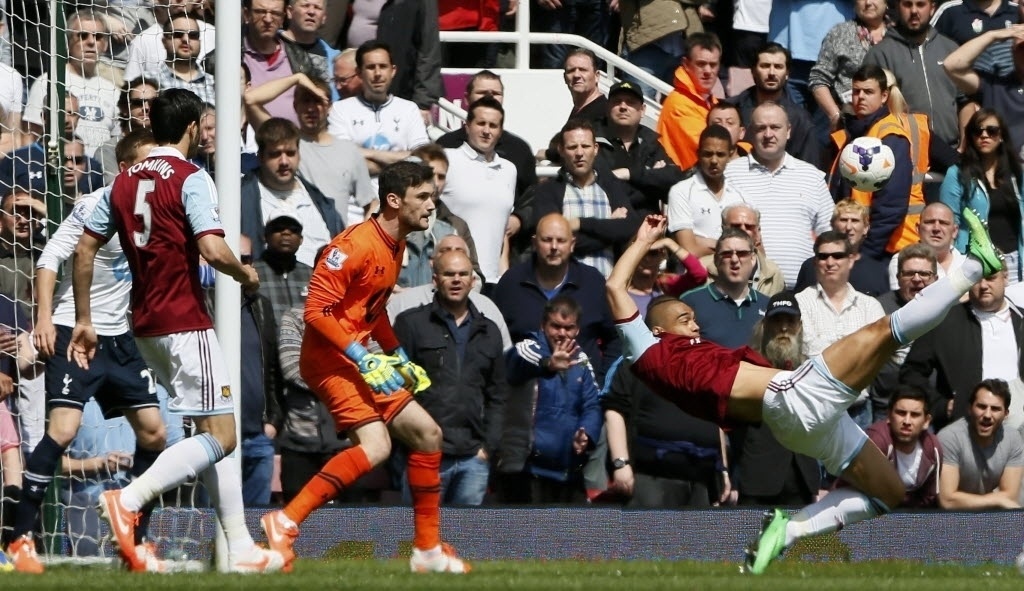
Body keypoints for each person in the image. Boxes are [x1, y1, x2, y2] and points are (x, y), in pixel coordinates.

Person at [605, 209, 1001, 575]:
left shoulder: (677, 351)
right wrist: (643, 239)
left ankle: (788, 531)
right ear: (655, 330)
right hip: (792, 396)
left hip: (796, 422)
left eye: (693, 318)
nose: (694, 326)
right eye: (684, 318)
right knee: (885, 330)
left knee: (889, 492)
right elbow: (614, 286)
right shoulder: (649, 350)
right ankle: (972, 266)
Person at [66, 88, 283, 573]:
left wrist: (84, 318)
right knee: (223, 436)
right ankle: (131, 498)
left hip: (143, 325)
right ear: (190, 129)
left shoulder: (122, 181)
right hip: (185, 320)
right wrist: (245, 273)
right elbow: (211, 247)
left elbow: (83, 249)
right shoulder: (191, 176)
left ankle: (243, 548)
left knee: (208, 430)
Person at [259, 161, 470, 574]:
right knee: (377, 447)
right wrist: (363, 356)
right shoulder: (352, 245)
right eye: (423, 197)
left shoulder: (397, 245)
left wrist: (396, 354)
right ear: (394, 201)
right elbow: (315, 313)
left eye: (433, 195)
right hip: (328, 360)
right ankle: (284, 521)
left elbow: (372, 312)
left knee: (428, 435)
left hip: (362, 356)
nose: (432, 204)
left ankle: (426, 552)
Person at [3, 130, 168, 574]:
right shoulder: (94, 203)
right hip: (74, 332)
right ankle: (20, 540)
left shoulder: (159, 208)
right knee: (62, 431)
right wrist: (41, 318)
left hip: (122, 340)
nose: (161, 169)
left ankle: (134, 540)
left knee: (154, 434)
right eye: (152, 162)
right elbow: (48, 259)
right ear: (131, 167)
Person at [393, 250, 507, 506]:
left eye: (462, 274)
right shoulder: (411, 324)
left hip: (473, 458)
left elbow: (497, 396)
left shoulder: (489, 331)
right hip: (424, 455)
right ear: (435, 279)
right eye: (449, 274)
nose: (456, 280)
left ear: (472, 280)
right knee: (418, 538)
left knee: (464, 540)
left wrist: (487, 449)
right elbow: (397, 391)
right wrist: (410, 445)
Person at [505, 295, 603, 503]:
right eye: (555, 326)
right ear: (543, 325)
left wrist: (587, 431)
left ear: (577, 330)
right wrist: (548, 364)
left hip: (569, 471)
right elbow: (514, 365)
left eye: (568, 328)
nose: (561, 333)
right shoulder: (527, 348)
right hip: (528, 470)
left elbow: (592, 404)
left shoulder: (581, 360)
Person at [900, 268, 1024, 431]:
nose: (983, 285)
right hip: (964, 432)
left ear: (1006, 278)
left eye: (990, 278)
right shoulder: (944, 322)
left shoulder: (1021, 320)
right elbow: (911, 373)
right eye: (977, 279)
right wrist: (942, 407)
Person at [725, 102, 834, 287]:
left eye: (775, 127)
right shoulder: (729, 174)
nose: (768, 135)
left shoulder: (812, 176)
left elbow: (830, 236)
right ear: (751, 132)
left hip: (802, 292)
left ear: (789, 131)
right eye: (761, 128)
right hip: (746, 290)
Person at [826, 65, 922, 260]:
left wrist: (867, 253)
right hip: (859, 246)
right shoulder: (856, 133)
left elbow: (891, 204)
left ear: (884, 96)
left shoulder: (889, 135)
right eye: (856, 91)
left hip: (888, 249)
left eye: (868, 92)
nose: (860, 97)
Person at [738, 293, 822, 507]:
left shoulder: (811, 371)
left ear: (800, 326)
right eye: (777, 321)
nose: (784, 328)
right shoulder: (748, 367)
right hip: (758, 480)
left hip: (802, 479)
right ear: (765, 325)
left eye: (790, 321)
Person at [795, 231, 886, 428]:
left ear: (851, 260)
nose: (830, 262)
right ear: (815, 261)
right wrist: (857, 352)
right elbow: (810, 358)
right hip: (815, 412)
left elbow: (879, 356)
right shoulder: (799, 304)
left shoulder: (870, 306)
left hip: (860, 413)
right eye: (823, 256)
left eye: (837, 256)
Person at [939, 109, 1024, 283]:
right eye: (978, 131)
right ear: (970, 136)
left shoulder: (1016, 173)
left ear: (1001, 136)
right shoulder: (957, 174)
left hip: (1016, 262)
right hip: (977, 263)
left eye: (991, 131)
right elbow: (949, 221)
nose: (984, 135)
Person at [863, 0, 960, 150]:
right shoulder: (880, 54)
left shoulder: (951, 49)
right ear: (897, 7)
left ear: (932, 8)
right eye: (907, 4)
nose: (914, 11)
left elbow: (965, 102)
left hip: (952, 151)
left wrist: (964, 147)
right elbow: (871, 110)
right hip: (904, 150)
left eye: (920, 4)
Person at [327, 41, 429, 182]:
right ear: (359, 73)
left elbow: (423, 157)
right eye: (370, 67)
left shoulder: (409, 109)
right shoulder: (340, 110)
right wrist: (402, 159)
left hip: (402, 197)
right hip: (356, 199)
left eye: (383, 66)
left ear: (393, 71)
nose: (377, 73)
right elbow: (343, 159)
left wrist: (366, 153)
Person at [841, 385, 942, 508]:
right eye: (901, 413)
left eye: (915, 415)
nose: (907, 421)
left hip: (907, 516)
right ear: (888, 415)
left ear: (926, 421)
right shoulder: (876, 441)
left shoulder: (933, 447)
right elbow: (861, 493)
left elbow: (929, 498)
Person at [937, 379, 1024, 509]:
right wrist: (997, 499)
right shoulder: (949, 437)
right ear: (969, 408)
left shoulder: (1013, 439)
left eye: (995, 409)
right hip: (954, 517)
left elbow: (1009, 496)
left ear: (1006, 414)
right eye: (981, 407)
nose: (987, 415)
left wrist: (998, 500)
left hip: (992, 516)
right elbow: (947, 501)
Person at [734, 42, 821, 168]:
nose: (771, 72)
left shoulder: (801, 120)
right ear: (753, 71)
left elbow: (810, 170)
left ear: (787, 73)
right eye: (765, 66)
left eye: (778, 67)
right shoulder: (734, 110)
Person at [667, 125, 746, 258]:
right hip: (695, 276)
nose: (714, 161)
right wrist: (730, 248)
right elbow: (689, 251)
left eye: (720, 154)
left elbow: (753, 249)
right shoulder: (681, 192)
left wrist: (703, 242)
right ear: (698, 153)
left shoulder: (741, 196)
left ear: (730, 154)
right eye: (708, 154)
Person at [681, 228, 769, 349]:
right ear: (716, 260)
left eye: (742, 253)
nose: (734, 260)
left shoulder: (767, 305)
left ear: (753, 259)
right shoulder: (691, 302)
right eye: (727, 254)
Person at [809, 0, 888, 132]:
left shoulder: (899, 35)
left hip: (892, 122)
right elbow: (818, 79)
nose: (868, 3)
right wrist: (835, 115)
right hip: (851, 121)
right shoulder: (839, 33)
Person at [657, 33, 722, 170]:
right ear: (686, 64)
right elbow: (711, 148)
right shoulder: (678, 104)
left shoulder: (712, 102)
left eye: (713, 65)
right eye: (701, 64)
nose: (708, 71)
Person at [887, 202, 967, 290]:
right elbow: (904, 301)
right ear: (918, 228)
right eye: (930, 222)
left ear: (954, 231)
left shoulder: (967, 263)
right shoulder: (901, 261)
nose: (936, 228)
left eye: (943, 223)